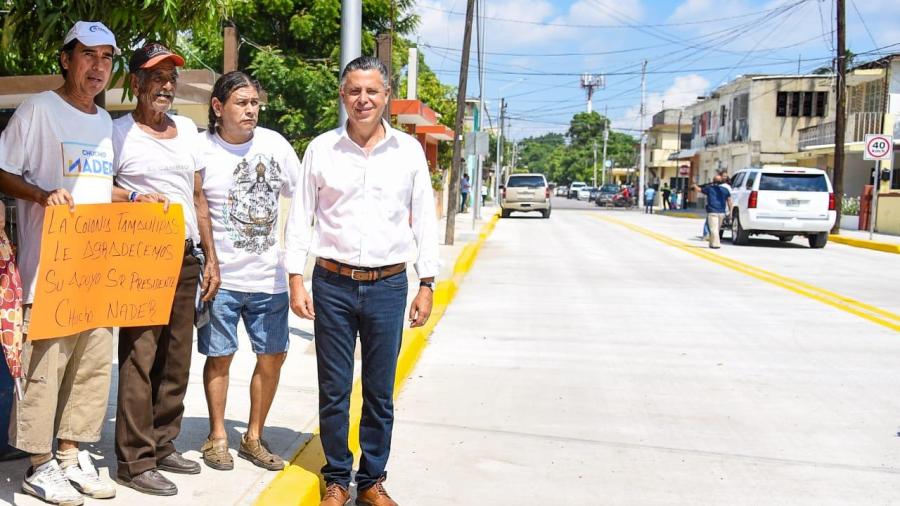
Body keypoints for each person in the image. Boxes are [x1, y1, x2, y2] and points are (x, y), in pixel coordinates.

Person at [285, 55, 439, 506]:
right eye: (354, 90)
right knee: (333, 388)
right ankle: (336, 477)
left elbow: (424, 221)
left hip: (389, 287)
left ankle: (371, 480)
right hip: (331, 284)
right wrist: (296, 277)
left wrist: (426, 282)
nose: (363, 99)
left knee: (378, 391)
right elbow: (301, 219)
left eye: (372, 91)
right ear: (343, 95)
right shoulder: (321, 149)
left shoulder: (408, 152)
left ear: (386, 95)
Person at [0, 21, 120, 505]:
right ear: (66, 59)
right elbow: (4, 171)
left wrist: (133, 196)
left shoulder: (103, 122)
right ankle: (38, 463)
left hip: (97, 271)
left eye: (107, 58)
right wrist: (41, 194)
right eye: (88, 55)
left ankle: (70, 454)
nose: (98, 66)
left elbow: (98, 185)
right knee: (45, 367)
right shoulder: (39, 110)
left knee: (91, 368)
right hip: (49, 269)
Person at [111, 42, 220, 496]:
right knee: (140, 357)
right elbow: (100, 191)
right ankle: (134, 461)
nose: (166, 85)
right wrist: (134, 199)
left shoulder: (189, 130)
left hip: (185, 255)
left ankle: (162, 442)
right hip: (139, 256)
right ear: (135, 83)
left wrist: (211, 256)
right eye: (156, 77)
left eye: (171, 78)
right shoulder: (116, 133)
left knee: (176, 358)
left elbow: (197, 197)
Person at [196, 71, 300, 473]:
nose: (251, 110)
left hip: (268, 279)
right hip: (220, 281)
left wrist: (294, 264)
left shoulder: (275, 145)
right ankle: (217, 436)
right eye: (241, 102)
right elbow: (195, 202)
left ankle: (254, 436)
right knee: (219, 357)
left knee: (272, 356)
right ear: (218, 107)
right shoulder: (201, 149)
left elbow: (305, 196)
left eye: (255, 103)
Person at [693, 175, 732, 249]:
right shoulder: (725, 190)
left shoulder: (709, 189)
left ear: (713, 181)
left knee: (713, 229)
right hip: (722, 212)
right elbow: (730, 202)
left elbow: (698, 189)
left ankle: (716, 244)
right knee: (716, 229)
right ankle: (711, 243)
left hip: (712, 211)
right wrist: (731, 212)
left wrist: (694, 184)